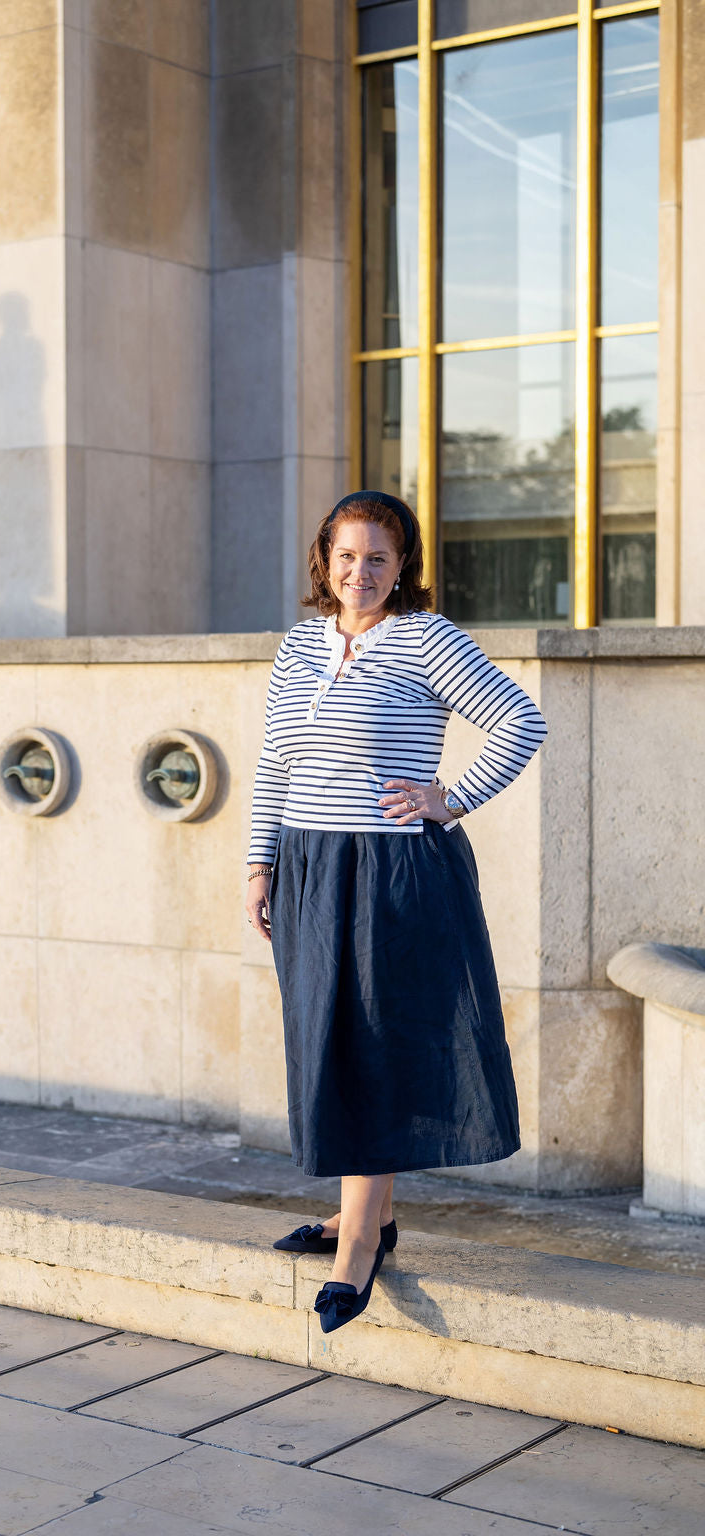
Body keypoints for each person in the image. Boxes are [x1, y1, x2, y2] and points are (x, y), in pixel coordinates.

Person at [244, 491, 548, 1334]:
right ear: (324, 561)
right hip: (308, 866)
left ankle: (358, 1251)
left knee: (370, 1045)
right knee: (326, 1038)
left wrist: (448, 799)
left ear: (402, 565)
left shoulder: (425, 638)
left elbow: (521, 721)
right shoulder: (300, 646)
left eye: (379, 558)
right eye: (347, 556)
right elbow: (274, 761)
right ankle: (362, 1215)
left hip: (387, 870)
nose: (361, 572)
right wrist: (258, 861)